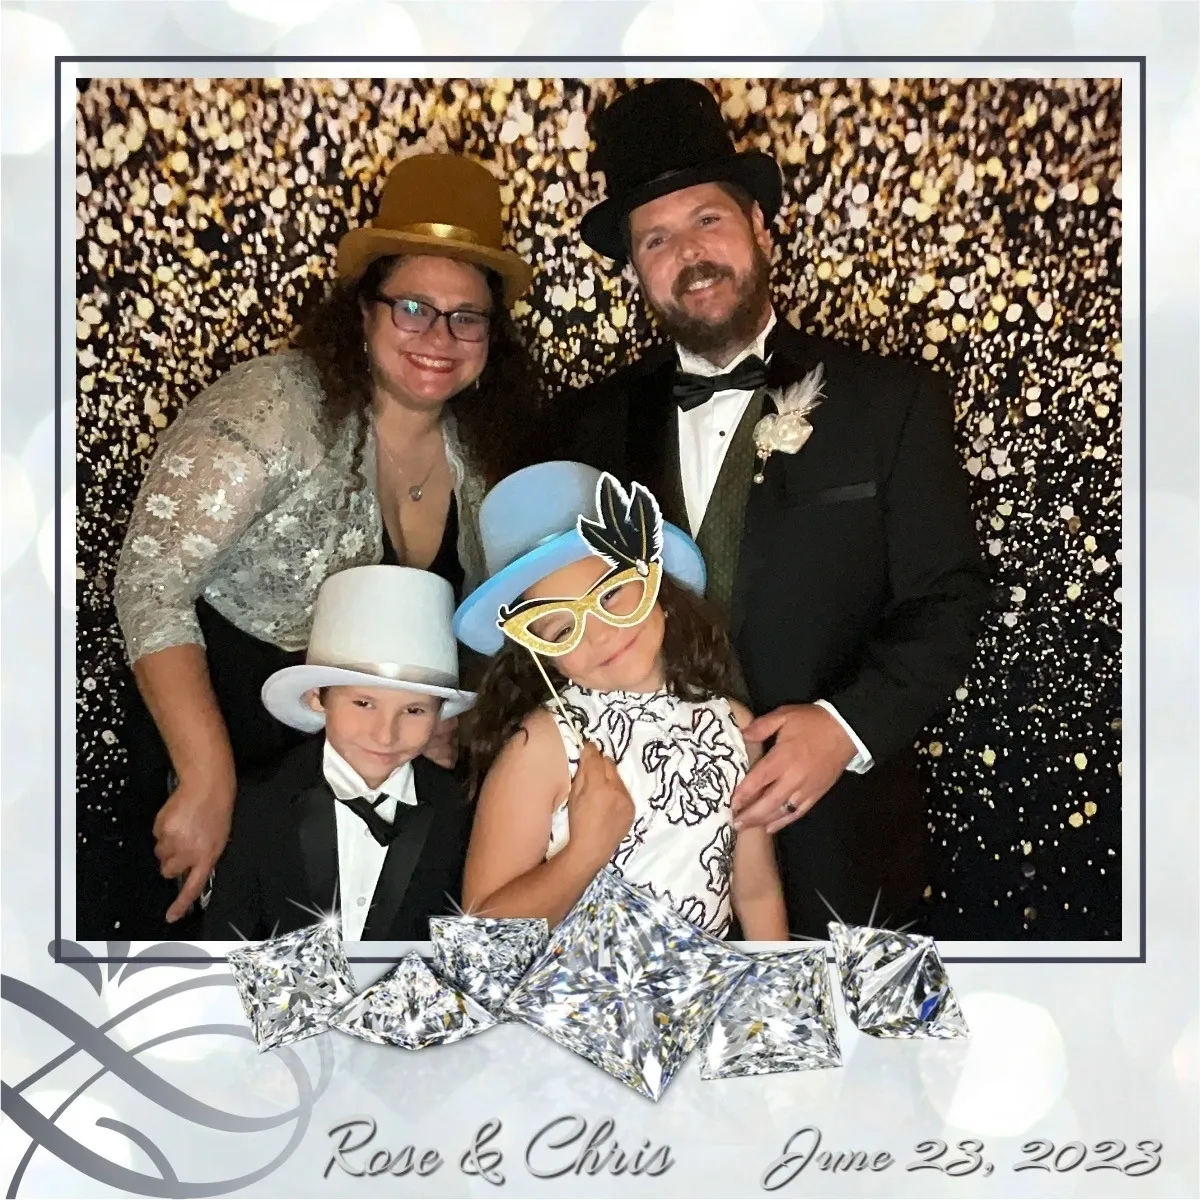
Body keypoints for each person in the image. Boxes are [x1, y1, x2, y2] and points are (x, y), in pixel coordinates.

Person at [562, 80, 989, 937]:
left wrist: (843, 728)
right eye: (656, 238)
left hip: (842, 851)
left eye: (708, 219)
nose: (689, 252)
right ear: (636, 268)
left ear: (760, 226)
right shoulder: (581, 432)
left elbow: (949, 600)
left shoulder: (890, 405)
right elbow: (545, 621)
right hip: (629, 863)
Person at [105, 152, 539, 939]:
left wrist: (445, 718)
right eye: (412, 306)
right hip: (219, 741)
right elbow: (149, 579)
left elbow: (490, 620)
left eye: (465, 316)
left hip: (372, 770)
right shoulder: (274, 406)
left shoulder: (483, 451)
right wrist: (206, 776)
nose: (439, 337)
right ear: (364, 310)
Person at [453, 461, 789, 940]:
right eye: (563, 627)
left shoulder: (736, 727)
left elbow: (755, 891)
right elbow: (482, 933)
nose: (601, 634)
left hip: (698, 1004)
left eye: (610, 596)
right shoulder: (544, 746)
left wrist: (779, 994)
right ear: (541, 654)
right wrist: (584, 852)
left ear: (659, 588)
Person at [203, 565, 476, 942]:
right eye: (364, 703)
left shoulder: (459, 809)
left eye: (414, 710)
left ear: (439, 713)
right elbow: (227, 937)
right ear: (319, 697)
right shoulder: (259, 801)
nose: (385, 734)